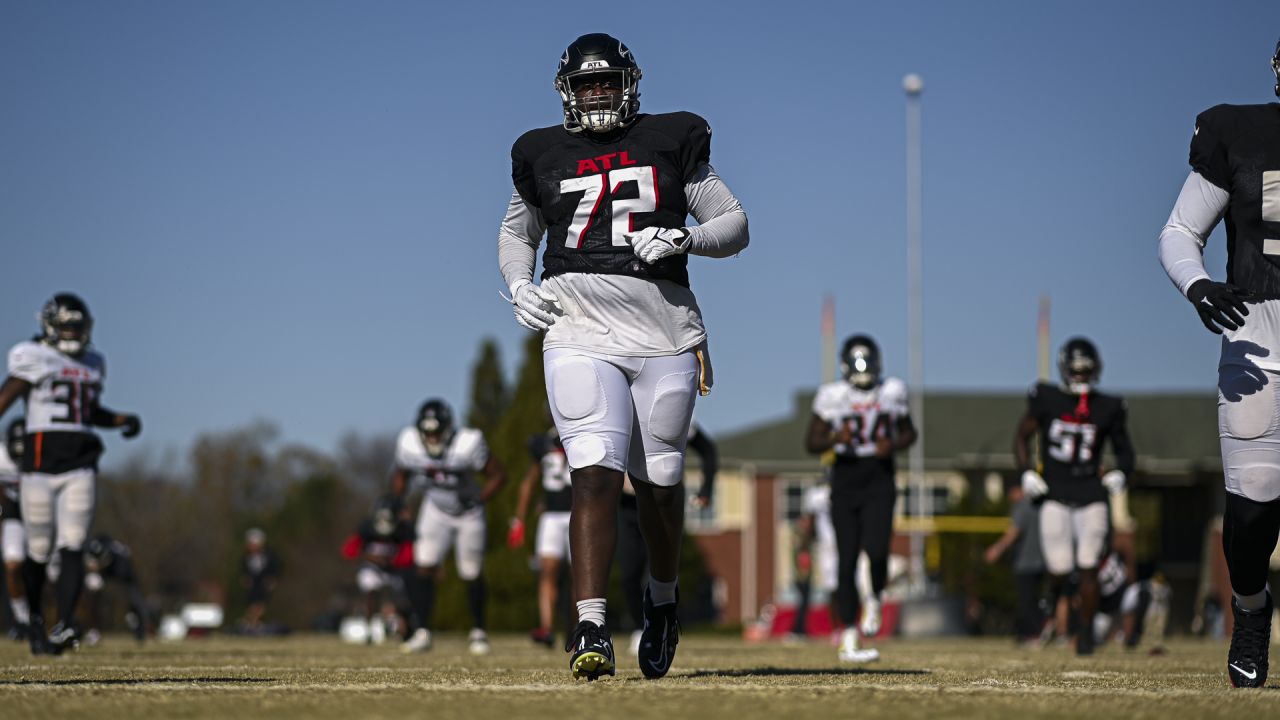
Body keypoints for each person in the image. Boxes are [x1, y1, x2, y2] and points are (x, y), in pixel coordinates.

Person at [497, 32, 748, 680]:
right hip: (579, 327)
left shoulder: (671, 139)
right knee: (593, 471)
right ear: (568, 92)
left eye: (607, 81)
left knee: (660, 485)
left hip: (663, 331)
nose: (598, 93)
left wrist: (688, 239)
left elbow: (735, 223)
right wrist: (520, 283)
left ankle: (662, 602)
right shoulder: (541, 152)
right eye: (587, 85)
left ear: (629, 83)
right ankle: (591, 626)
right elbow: (516, 231)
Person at [1157, 38, 1280, 687]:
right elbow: (1180, 232)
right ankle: (1252, 609)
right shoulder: (1239, 131)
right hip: (1257, 338)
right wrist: (1198, 285)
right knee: (1255, 505)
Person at [0, 293, 142, 655]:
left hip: (80, 463)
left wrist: (119, 419)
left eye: (78, 327)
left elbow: (86, 411)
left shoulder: (94, 362)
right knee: (38, 550)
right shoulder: (33, 357)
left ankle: (63, 623)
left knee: (75, 544)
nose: (73, 334)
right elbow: (7, 396)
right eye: (67, 326)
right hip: (39, 467)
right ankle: (34, 621)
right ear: (49, 325)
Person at [1013, 338, 1134, 656]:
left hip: (1091, 494)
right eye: (1076, 370)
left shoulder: (1108, 406)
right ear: (1065, 369)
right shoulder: (1047, 398)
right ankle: (1053, 596)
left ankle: (1085, 633)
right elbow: (1021, 437)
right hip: (1054, 493)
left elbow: (1125, 451)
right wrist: (1026, 472)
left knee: (1089, 566)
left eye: (1086, 371)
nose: (1081, 377)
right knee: (1060, 567)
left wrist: (1122, 472)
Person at [805, 335, 917, 663]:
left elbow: (910, 432)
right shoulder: (832, 396)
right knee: (846, 559)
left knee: (878, 549)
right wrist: (833, 437)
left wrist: (892, 444)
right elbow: (811, 442)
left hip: (880, 476)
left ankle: (876, 598)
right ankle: (850, 636)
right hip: (846, 478)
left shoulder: (893, 391)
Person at [391, 399, 506, 655]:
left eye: (436, 431)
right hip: (435, 509)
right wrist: (398, 503)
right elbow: (400, 474)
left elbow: (499, 474)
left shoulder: (467, 444)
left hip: (469, 513)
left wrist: (480, 497)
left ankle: (478, 632)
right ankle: (423, 631)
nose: (431, 437)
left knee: (471, 571)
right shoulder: (409, 444)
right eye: (427, 432)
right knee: (424, 565)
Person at [615, 420, 718, 655]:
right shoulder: (619, 405)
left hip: (660, 500)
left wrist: (706, 489)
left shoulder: (667, 405)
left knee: (657, 569)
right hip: (627, 504)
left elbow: (708, 450)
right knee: (629, 572)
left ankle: (659, 624)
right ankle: (640, 627)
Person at [509, 427, 573, 648]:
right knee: (548, 572)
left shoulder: (583, 434)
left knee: (581, 576)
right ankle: (547, 627)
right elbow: (530, 481)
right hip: (552, 516)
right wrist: (519, 519)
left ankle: (577, 628)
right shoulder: (542, 443)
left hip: (579, 513)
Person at [342, 495, 415, 644]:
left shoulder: (403, 530)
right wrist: (369, 557)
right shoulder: (366, 528)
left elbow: (408, 557)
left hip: (393, 570)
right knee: (370, 587)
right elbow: (349, 551)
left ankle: (404, 628)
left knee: (402, 598)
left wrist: (391, 561)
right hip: (371, 568)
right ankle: (369, 625)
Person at [983, 482, 1046, 646]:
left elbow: (1013, 532)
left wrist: (996, 550)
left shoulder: (1022, 507)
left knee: (1026, 600)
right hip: (1043, 560)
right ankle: (1037, 630)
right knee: (1036, 598)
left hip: (1026, 561)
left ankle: (1033, 634)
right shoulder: (1039, 506)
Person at [81, 534, 148, 644]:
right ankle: (91, 630)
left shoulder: (122, 563)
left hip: (121, 571)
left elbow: (127, 582)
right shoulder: (91, 548)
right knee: (92, 597)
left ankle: (138, 627)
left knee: (135, 600)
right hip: (105, 571)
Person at [1, 419, 28, 639]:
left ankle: (64, 621)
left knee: (55, 572)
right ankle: (22, 621)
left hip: (42, 516)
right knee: (12, 565)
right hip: (12, 516)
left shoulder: (42, 455)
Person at [240, 527, 279, 632]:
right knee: (251, 603)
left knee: (261, 603)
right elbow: (243, 570)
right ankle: (252, 623)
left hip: (263, 584)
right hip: (252, 585)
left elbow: (275, 567)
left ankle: (254, 623)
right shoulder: (246, 557)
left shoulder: (269, 555)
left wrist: (272, 579)